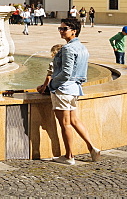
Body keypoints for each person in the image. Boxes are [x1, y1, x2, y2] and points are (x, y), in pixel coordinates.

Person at [37, 17, 101, 165]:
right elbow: (83, 72)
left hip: (63, 89)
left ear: (74, 31)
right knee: (74, 120)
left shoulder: (68, 48)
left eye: (64, 29)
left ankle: (69, 156)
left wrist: (51, 84)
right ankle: (92, 147)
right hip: (74, 89)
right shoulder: (82, 47)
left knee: (65, 123)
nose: (61, 31)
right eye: (60, 28)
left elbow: (66, 73)